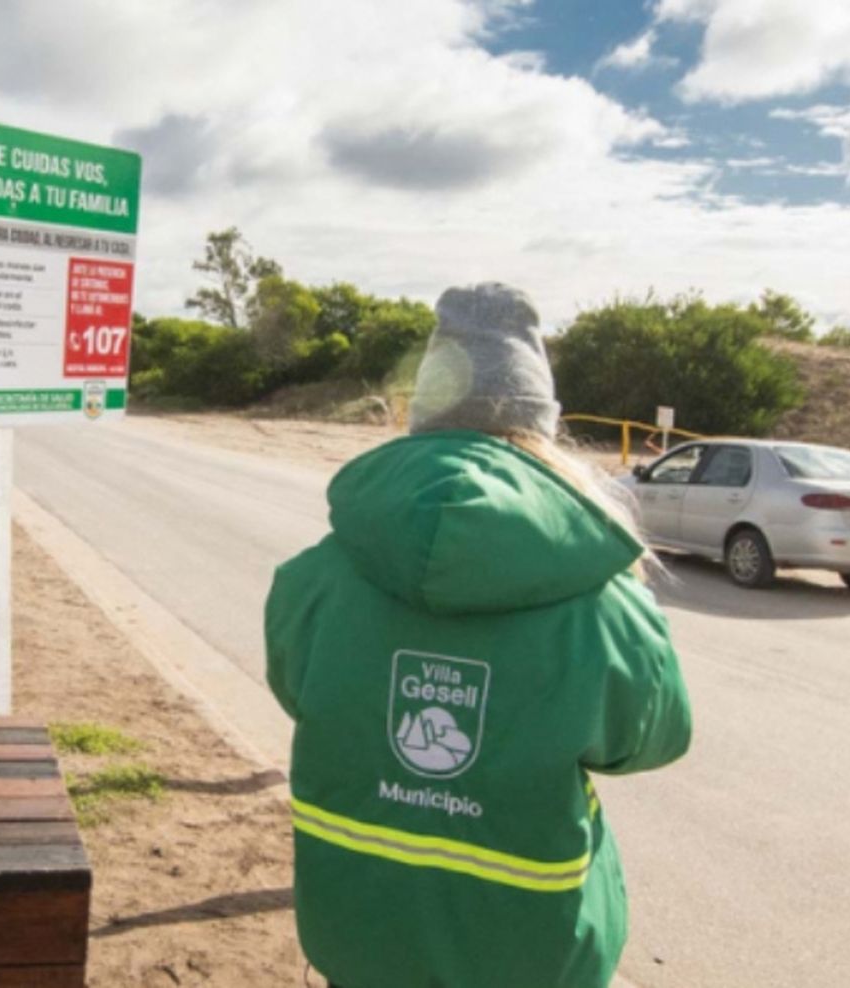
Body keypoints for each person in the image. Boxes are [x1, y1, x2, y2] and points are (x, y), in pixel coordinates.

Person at [265, 283, 692, 988]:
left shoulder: (315, 576)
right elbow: (648, 741)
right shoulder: (602, 597)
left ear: (421, 411)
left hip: (355, 933)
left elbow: (297, 689)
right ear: (542, 426)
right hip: (534, 948)